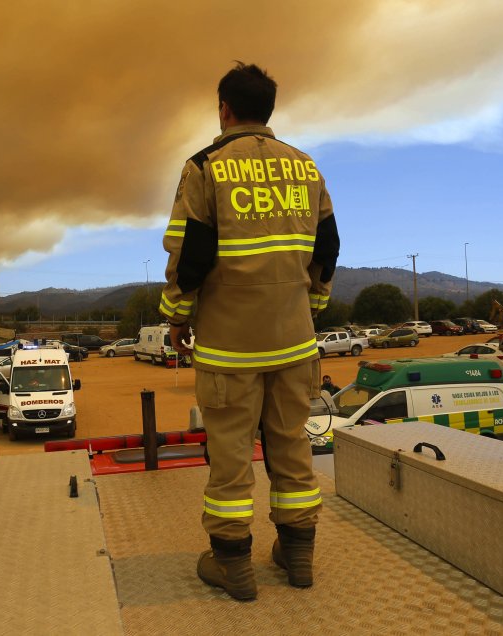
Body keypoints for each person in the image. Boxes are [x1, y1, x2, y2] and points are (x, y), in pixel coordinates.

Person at [160, 62, 339, 601]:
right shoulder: (305, 167)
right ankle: (298, 555)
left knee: (231, 458)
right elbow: (327, 247)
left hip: (230, 350)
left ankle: (233, 564)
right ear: (268, 109)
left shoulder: (205, 167)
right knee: (292, 447)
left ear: (225, 109)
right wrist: (313, 305)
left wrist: (176, 316)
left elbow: (190, 254)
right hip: (295, 343)